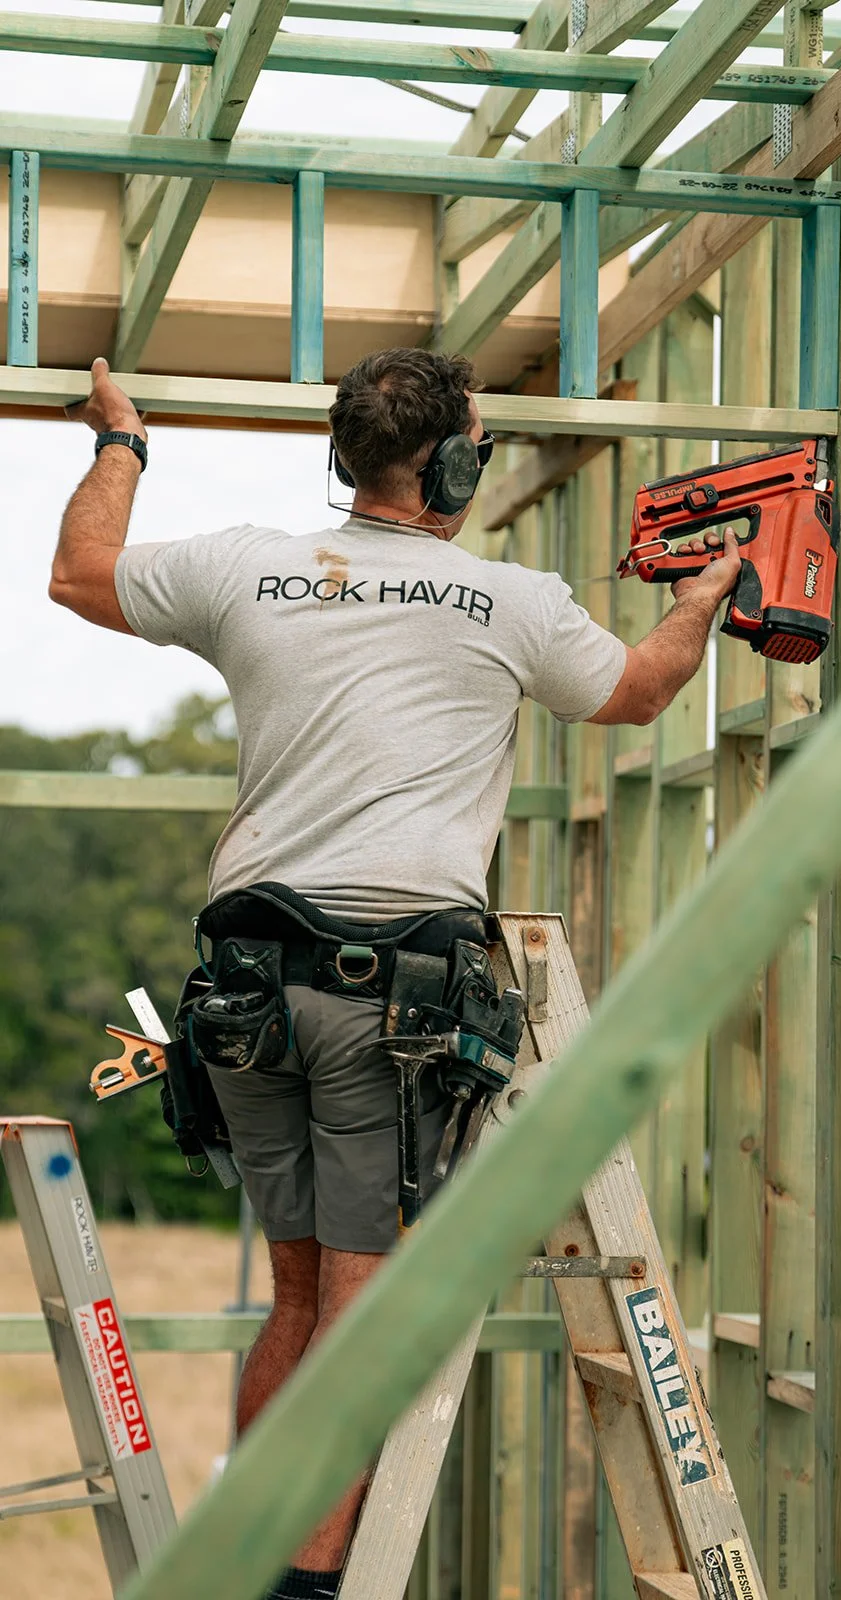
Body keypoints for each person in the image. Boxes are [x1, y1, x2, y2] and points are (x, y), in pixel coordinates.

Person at [51, 348, 740, 1600]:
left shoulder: (244, 564)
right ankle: (296, 1593)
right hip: (387, 1008)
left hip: (246, 994)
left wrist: (123, 439)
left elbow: (77, 573)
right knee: (359, 1328)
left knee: (302, 1295)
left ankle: (249, 1560)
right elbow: (639, 693)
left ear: (343, 458)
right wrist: (707, 592)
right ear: (458, 465)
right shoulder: (512, 601)